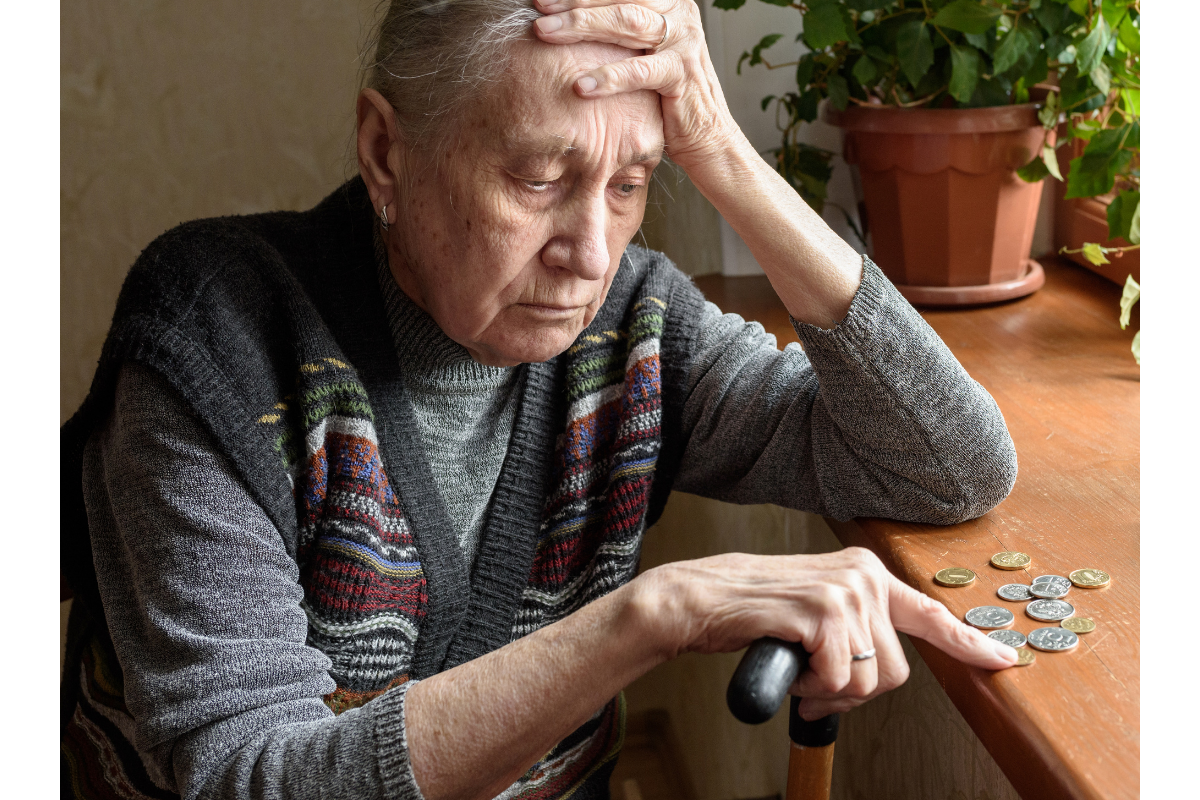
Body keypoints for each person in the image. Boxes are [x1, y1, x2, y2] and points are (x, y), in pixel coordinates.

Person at [58, 1, 1020, 798]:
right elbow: (248, 776)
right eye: (539, 177)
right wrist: (652, 616)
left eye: (631, 183)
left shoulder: (636, 330)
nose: (591, 255)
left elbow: (948, 465)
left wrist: (719, 147)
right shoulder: (216, 336)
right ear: (387, 151)